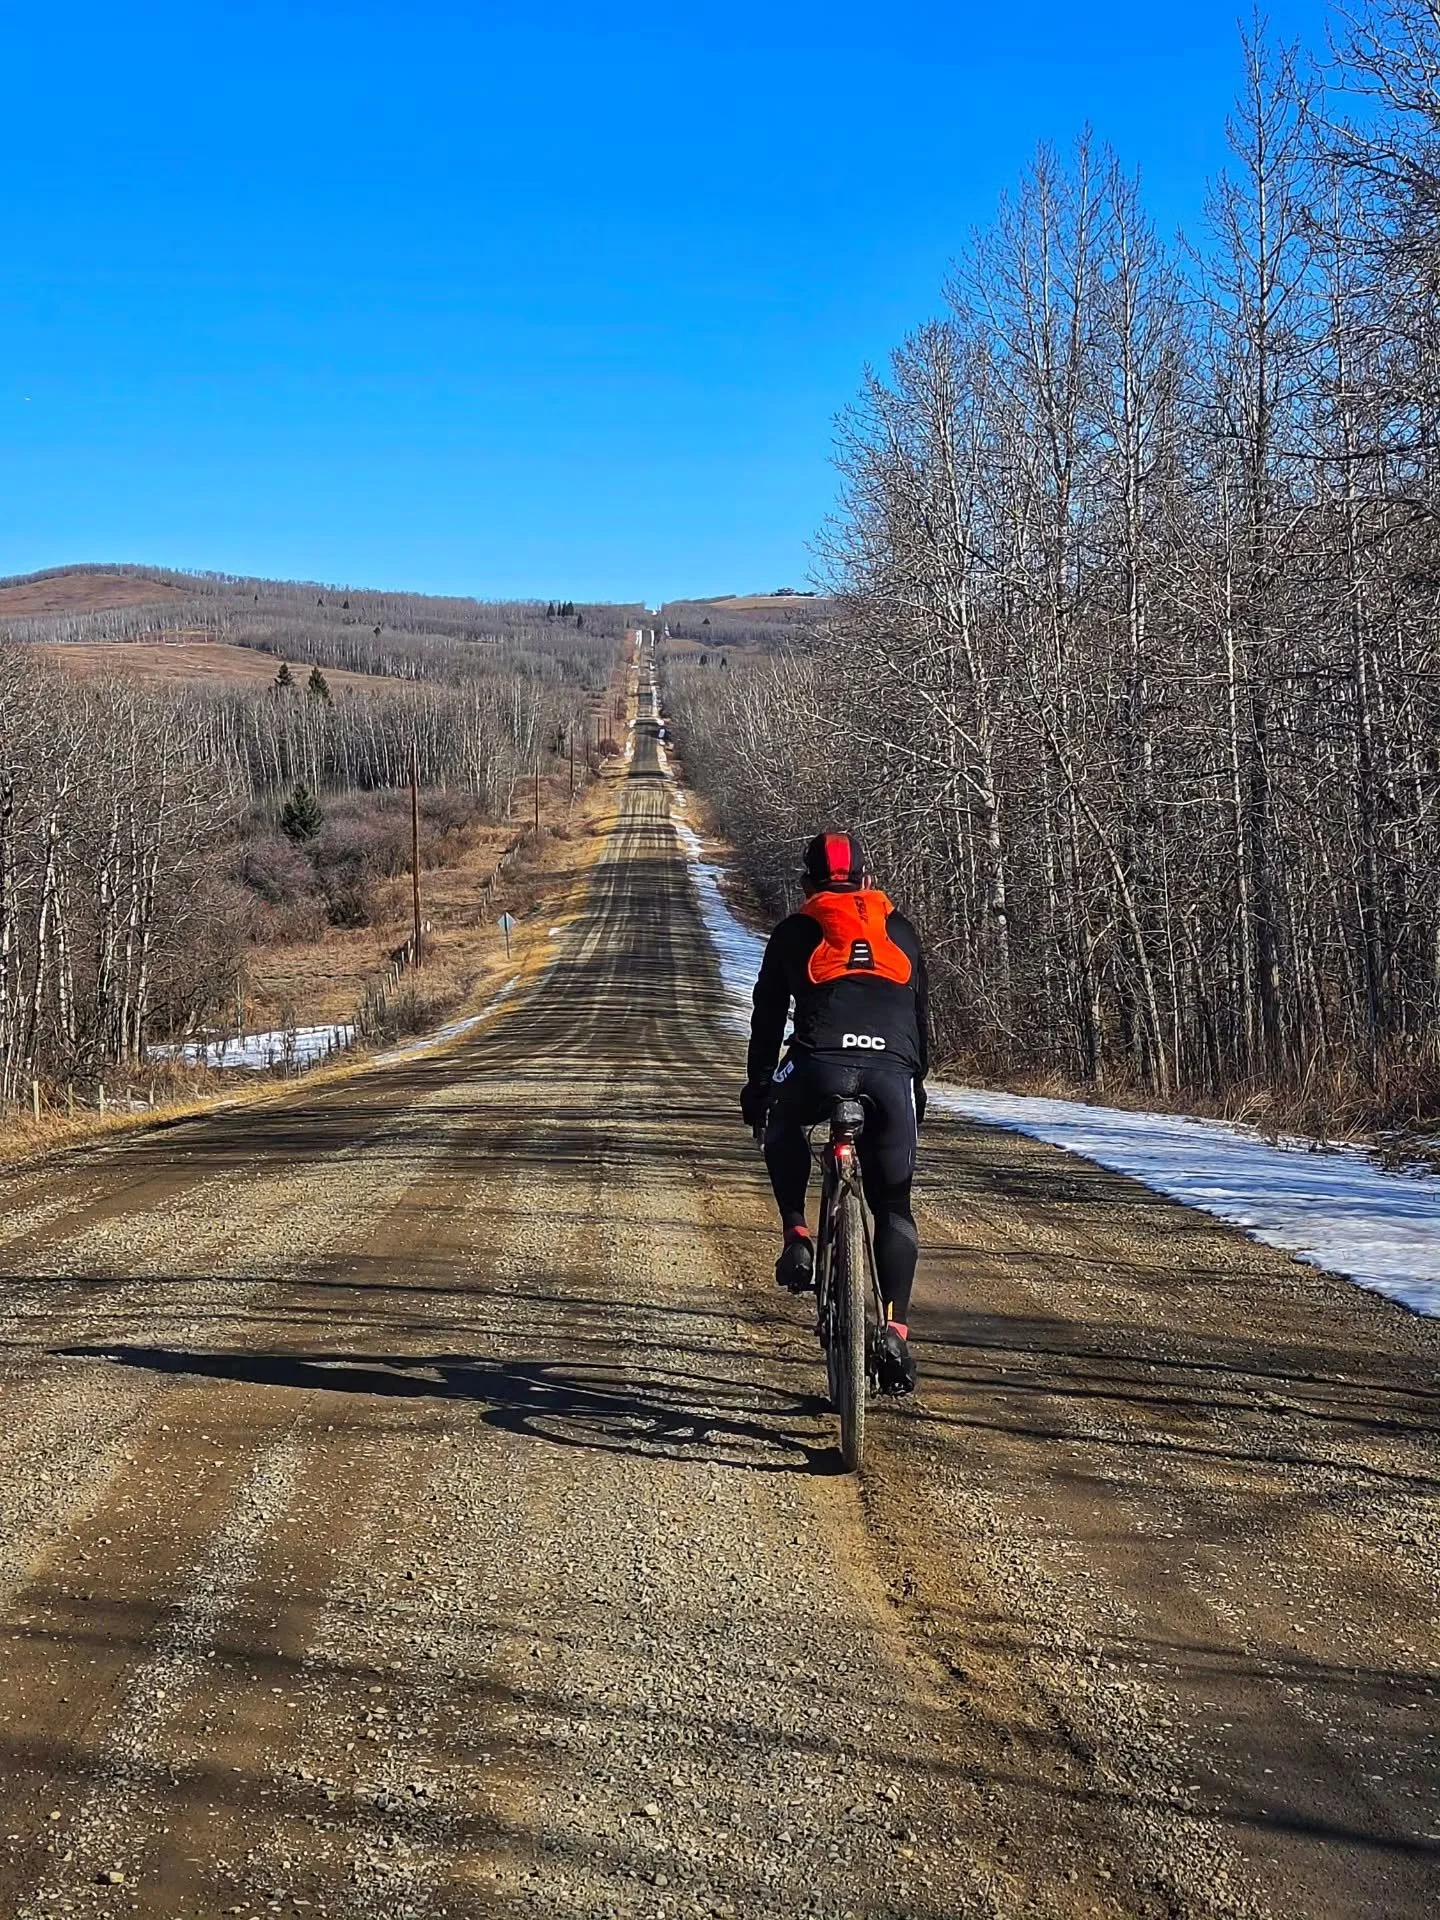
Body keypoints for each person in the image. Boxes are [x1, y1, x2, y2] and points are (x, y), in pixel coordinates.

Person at [740, 830, 928, 1395]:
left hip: (819, 1065)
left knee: (783, 1120)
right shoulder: (901, 930)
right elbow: (922, 1018)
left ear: (807, 884)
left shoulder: (795, 931)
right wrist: (915, 1085)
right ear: (865, 882)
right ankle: (895, 1327)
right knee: (893, 1202)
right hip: (892, 1072)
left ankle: (797, 1232)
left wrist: (757, 1090)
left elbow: (768, 1017)